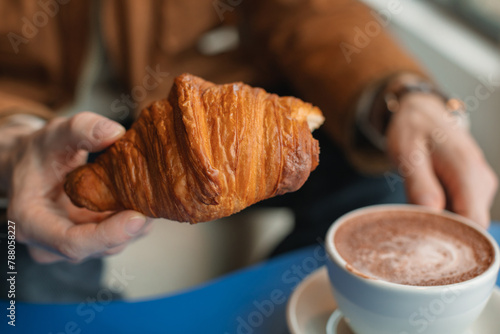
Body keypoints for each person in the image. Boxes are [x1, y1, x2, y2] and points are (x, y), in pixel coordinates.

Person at [0, 0, 496, 301]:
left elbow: (302, 9)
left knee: (379, 181)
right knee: (28, 272)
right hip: (29, 129)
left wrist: (397, 94)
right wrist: (10, 141)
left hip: (201, 111)